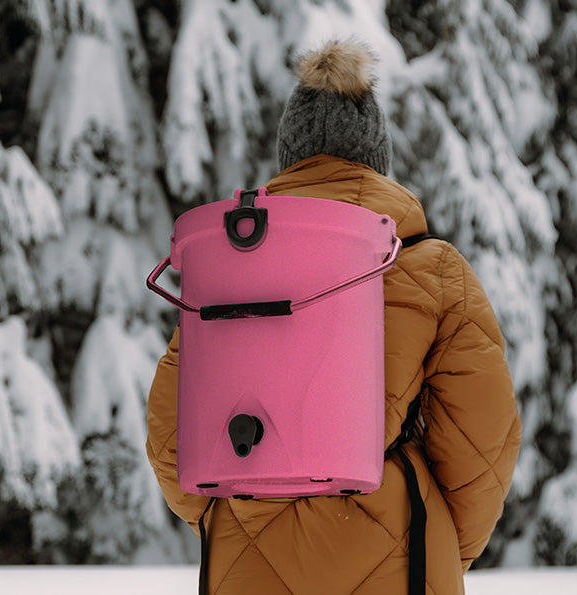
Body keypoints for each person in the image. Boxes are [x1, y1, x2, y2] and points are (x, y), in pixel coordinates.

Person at [146, 38, 521, 594]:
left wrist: (231, 507)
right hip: (403, 557)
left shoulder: (230, 271)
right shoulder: (434, 270)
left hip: (246, 560)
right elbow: (482, 443)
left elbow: (171, 441)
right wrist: (435, 538)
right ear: (377, 161)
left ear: (288, 160)